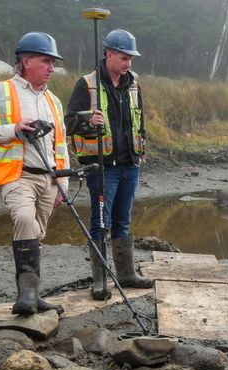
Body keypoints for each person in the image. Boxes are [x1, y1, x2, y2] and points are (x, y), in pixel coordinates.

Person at [0, 32, 68, 316]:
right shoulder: (0, 92)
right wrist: (13, 129)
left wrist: (63, 183)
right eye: (46, 61)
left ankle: (33, 294)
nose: (51, 68)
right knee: (24, 220)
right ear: (25, 61)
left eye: (52, 62)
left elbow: (61, 143)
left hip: (49, 178)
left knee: (36, 235)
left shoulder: (54, 101)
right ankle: (26, 296)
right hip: (17, 175)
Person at [65, 29, 151, 300]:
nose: (128, 63)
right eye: (124, 57)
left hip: (130, 163)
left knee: (123, 221)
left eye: (131, 58)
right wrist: (89, 120)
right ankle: (101, 280)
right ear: (109, 54)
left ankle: (126, 274)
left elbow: (140, 119)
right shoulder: (87, 84)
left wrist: (141, 150)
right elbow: (68, 122)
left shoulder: (134, 83)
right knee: (101, 222)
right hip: (102, 165)